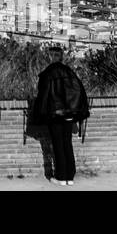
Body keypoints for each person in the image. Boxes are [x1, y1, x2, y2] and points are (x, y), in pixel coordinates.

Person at [32, 44, 90, 185]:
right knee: (67, 143)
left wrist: (39, 115)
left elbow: (43, 96)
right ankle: (70, 176)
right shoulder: (69, 72)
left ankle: (60, 176)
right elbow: (80, 91)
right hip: (70, 113)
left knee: (57, 144)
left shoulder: (47, 74)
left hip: (55, 114)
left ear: (50, 57)